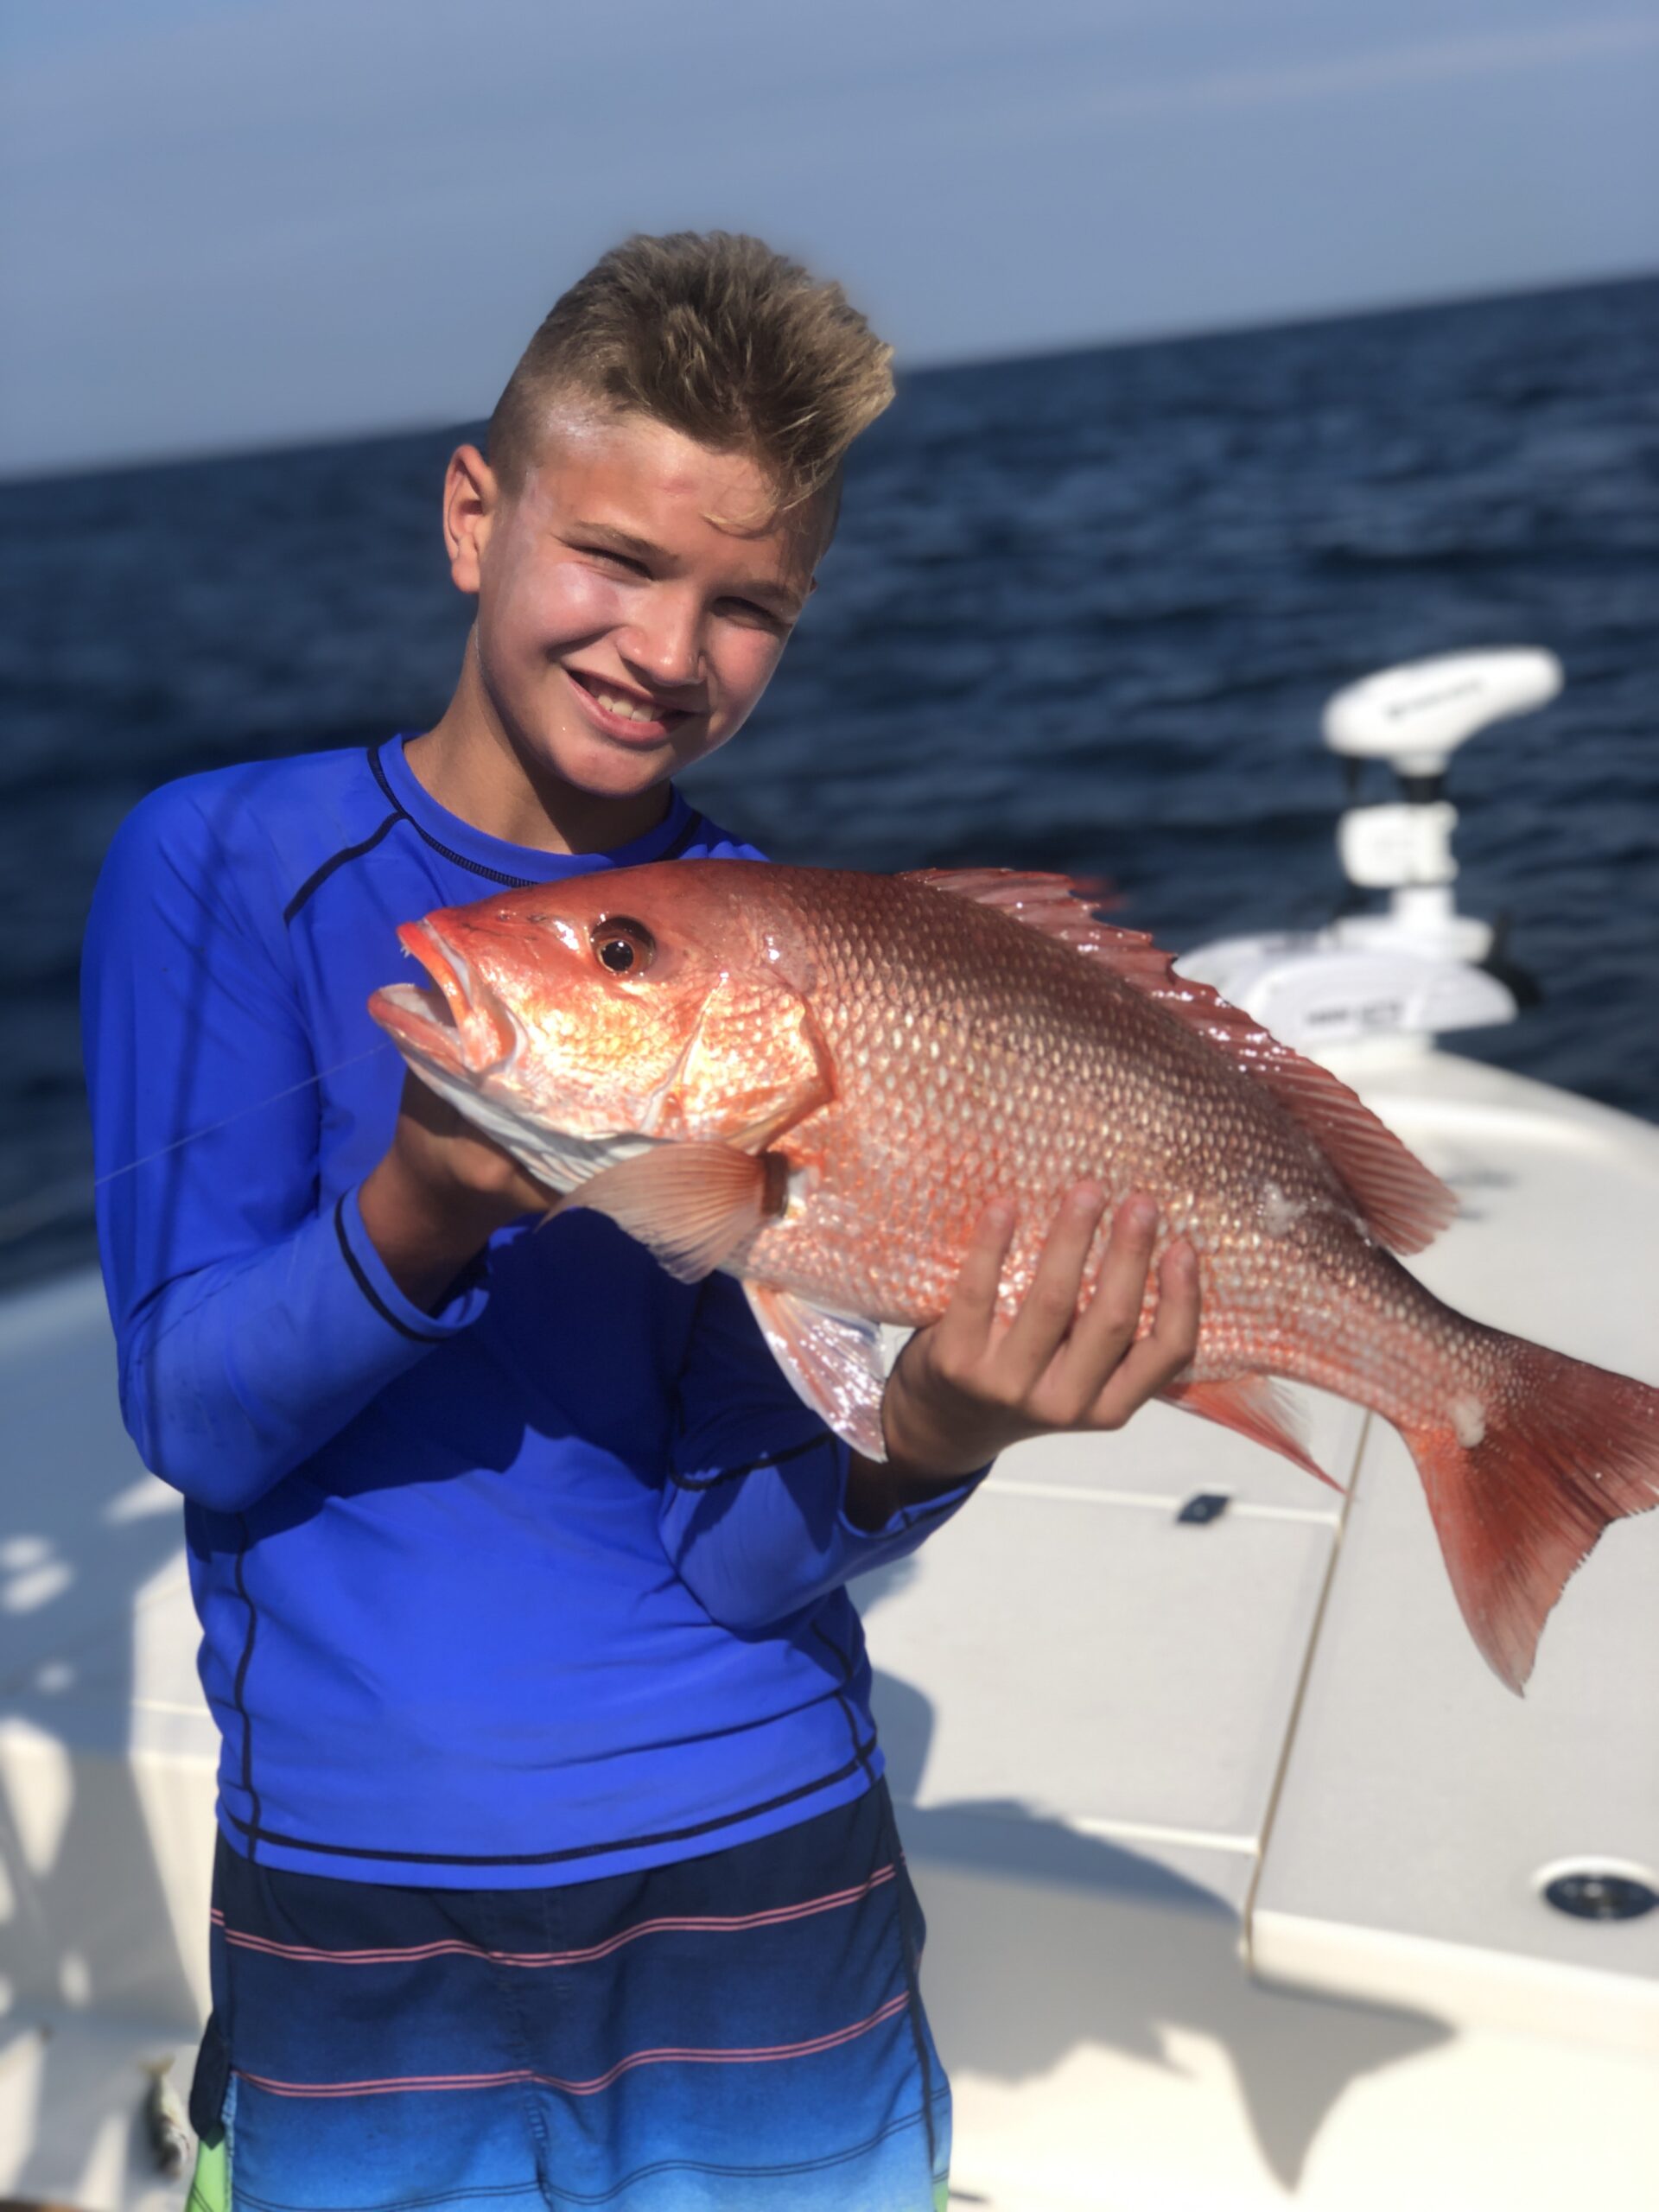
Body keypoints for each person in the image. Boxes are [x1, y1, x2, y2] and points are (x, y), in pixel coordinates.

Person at [83, 232, 1199, 2212]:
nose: (669, 650)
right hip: (369, 1896)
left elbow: (743, 1552)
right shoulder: (227, 861)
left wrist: (935, 1432)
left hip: (772, 1874)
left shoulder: (769, 948)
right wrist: (425, 1201)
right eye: (617, 556)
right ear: (472, 511)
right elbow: (196, 1412)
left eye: (750, 601)